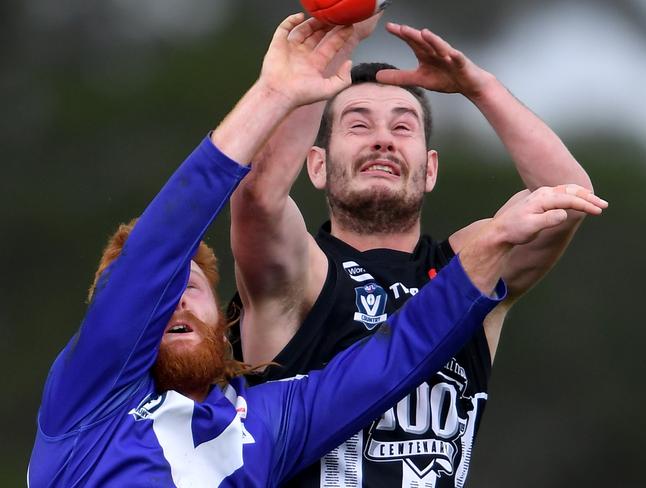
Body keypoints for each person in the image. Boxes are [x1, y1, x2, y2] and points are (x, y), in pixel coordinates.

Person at [24, 14, 556, 487]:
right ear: (317, 163)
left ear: (223, 319)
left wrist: (483, 256)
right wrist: (280, 91)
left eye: (193, 291)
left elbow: (387, 364)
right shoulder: (88, 405)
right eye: (161, 299)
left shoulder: (264, 424)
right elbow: (161, 249)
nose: (178, 304)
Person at [228, 18, 608, 487]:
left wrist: (479, 87)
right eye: (358, 124)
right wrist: (314, 72)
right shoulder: (301, 274)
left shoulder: (470, 266)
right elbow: (258, 198)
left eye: (403, 127)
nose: (382, 139)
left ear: (430, 170)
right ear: (318, 166)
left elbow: (568, 197)